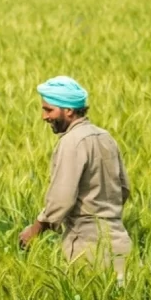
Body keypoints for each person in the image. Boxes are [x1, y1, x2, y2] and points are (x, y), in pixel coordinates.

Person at [19, 76, 132, 282]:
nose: (44, 116)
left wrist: (35, 230)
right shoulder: (106, 137)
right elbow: (124, 189)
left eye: (48, 110)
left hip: (86, 249)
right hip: (121, 245)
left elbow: (61, 199)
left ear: (68, 110)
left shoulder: (71, 142)